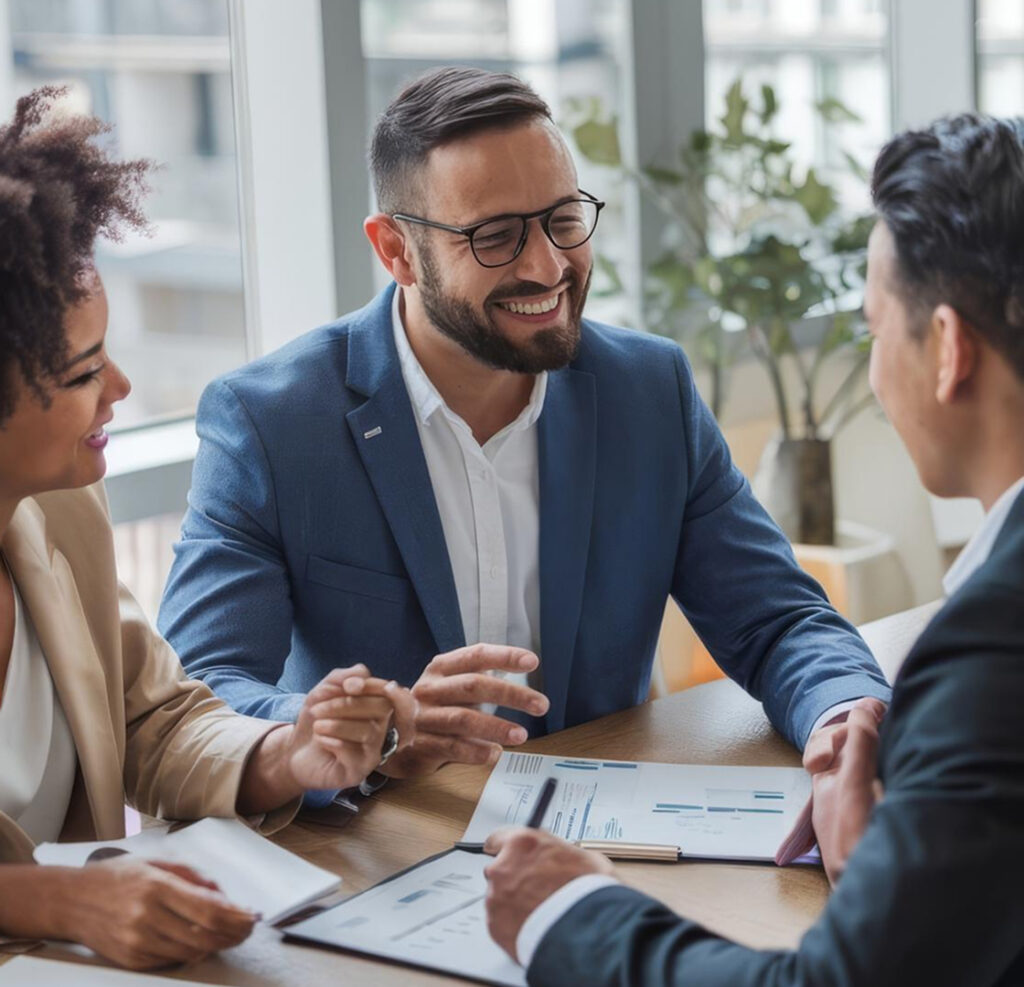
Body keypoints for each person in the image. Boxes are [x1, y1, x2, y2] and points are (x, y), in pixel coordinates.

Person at [157, 66, 889, 804]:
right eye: (497, 237)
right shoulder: (273, 424)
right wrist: (357, 733)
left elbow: (778, 619)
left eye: (563, 220)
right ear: (397, 251)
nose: (548, 266)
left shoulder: (649, 392)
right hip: (380, 846)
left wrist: (842, 718)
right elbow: (196, 701)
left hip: (604, 839)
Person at [483, 112, 1024, 986]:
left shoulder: (993, 650)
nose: (545, 265)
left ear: (949, 350)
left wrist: (568, 912)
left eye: (874, 327)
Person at [0, 87, 416, 971]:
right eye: (82, 370)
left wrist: (289, 750)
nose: (119, 388)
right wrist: (55, 895)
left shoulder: (61, 512)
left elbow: (152, 718)